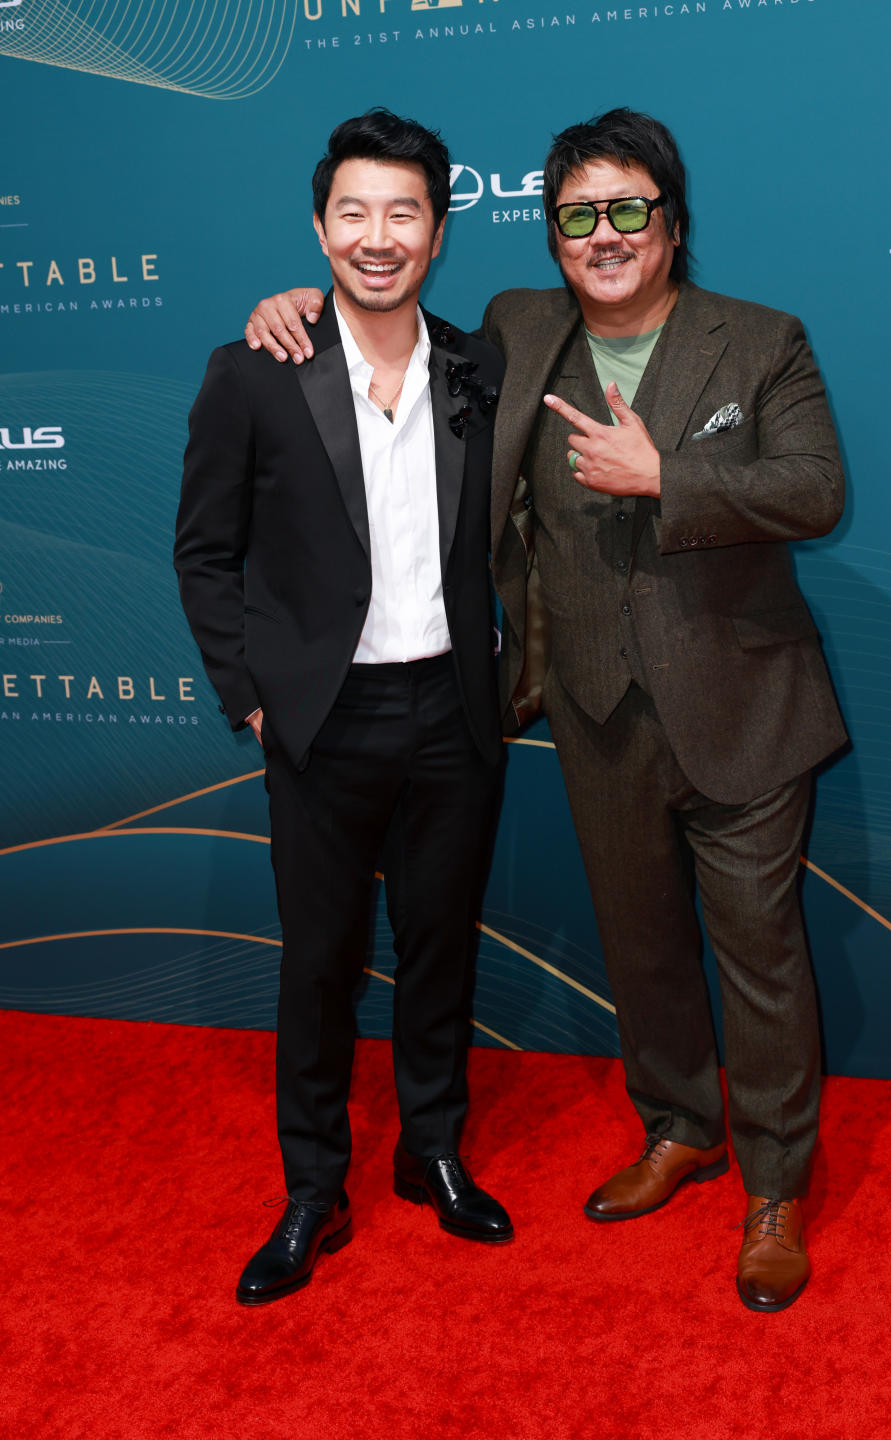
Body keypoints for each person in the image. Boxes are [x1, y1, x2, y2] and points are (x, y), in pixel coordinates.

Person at [242, 108, 846, 1313]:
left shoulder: (760, 341)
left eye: (630, 210)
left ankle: (775, 1183)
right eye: (580, 216)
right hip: (593, 708)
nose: (605, 235)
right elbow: (380, 305)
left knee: (763, 959)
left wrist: (670, 475)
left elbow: (815, 489)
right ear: (553, 234)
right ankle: (681, 1125)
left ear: (671, 224)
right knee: (644, 945)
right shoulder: (520, 328)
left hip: (743, 708)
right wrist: (291, 303)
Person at [175, 109, 512, 1308]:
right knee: (318, 966)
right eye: (355, 213)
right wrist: (253, 700)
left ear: (438, 230)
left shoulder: (484, 365)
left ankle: (430, 1152)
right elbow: (204, 554)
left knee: (439, 951)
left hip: (456, 715)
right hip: (320, 722)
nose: (379, 237)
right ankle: (313, 1185)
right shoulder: (253, 369)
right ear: (321, 228)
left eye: (404, 212)